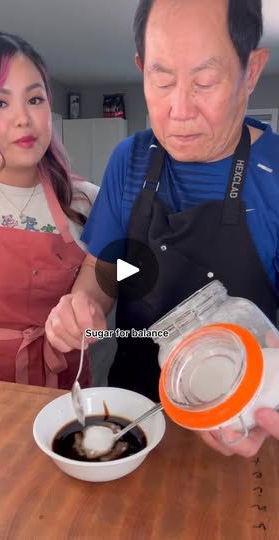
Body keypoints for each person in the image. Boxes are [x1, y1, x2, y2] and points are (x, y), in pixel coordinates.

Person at [46, 0, 279, 455]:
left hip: (241, 421)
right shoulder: (128, 160)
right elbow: (104, 270)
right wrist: (81, 306)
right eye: (162, 78)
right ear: (140, 67)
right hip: (130, 420)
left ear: (252, 71)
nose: (179, 109)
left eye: (205, 81)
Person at [0, 30, 98, 389]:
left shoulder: (85, 201)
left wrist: (92, 304)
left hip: (62, 390)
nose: (23, 119)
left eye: (35, 99)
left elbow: (118, 269)